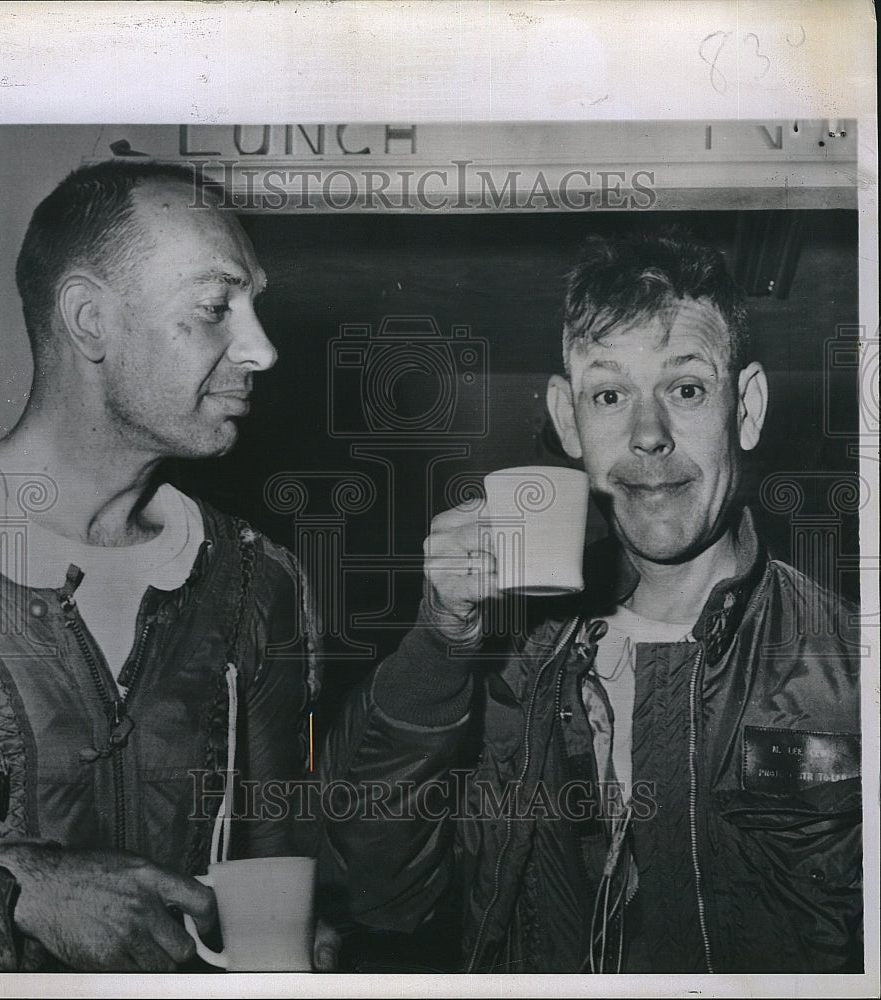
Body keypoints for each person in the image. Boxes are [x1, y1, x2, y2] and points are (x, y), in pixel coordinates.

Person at [316, 229, 863, 973]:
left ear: (746, 406)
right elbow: (380, 894)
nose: (647, 436)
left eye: (686, 389)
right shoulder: (509, 660)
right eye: (609, 395)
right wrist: (438, 646)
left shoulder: (847, 667)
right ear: (568, 419)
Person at [0, 160, 327, 971]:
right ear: (89, 320)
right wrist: (17, 891)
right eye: (215, 308)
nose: (262, 348)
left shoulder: (258, 580)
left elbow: (279, 858)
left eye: (254, 305)